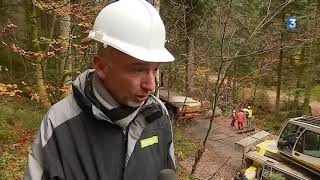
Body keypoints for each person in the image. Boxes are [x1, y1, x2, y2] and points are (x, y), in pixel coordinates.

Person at [23, 0, 175, 179]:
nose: (151, 85)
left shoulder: (158, 115)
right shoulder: (58, 124)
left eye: (155, 69)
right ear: (101, 67)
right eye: (138, 69)